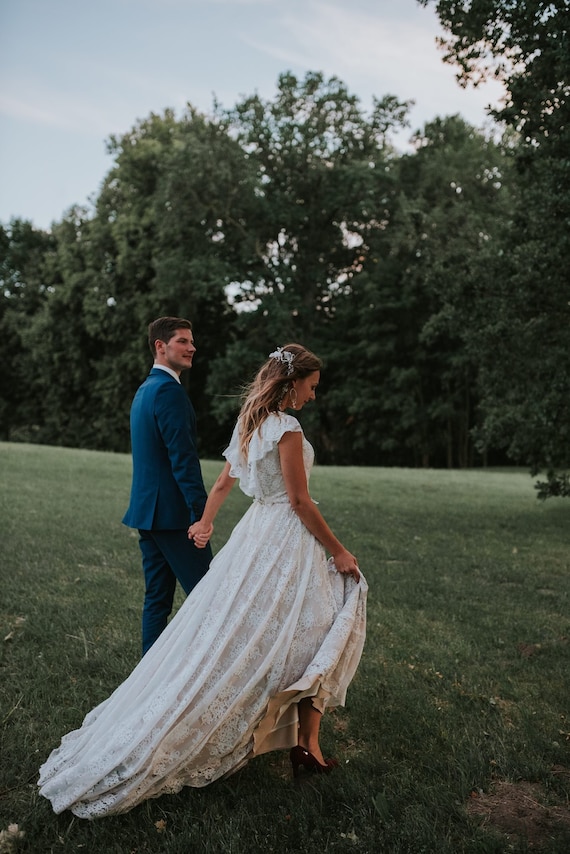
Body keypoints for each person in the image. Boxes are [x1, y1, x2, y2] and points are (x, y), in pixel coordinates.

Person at [38, 344, 367, 819]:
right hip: (283, 538)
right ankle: (302, 739)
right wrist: (338, 550)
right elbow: (299, 501)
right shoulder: (288, 428)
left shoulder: (250, 423)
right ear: (293, 383)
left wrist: (208, 523)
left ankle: (304, 741)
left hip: (253, 534)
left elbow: (221, 484)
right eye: (312, 387)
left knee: (277, 627)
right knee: (321, 625)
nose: (314, 397)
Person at [122, 316, 212, 654]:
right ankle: (201, 679)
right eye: (183, 341)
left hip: (148, 514)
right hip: (175, 518)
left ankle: (147, 685)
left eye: (192, 341)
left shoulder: (145, 390)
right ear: (161, 346)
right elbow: (183, 460)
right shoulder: (169, 392)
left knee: (157, 601)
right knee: (209, 599)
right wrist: (202, 516)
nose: (192, 347)